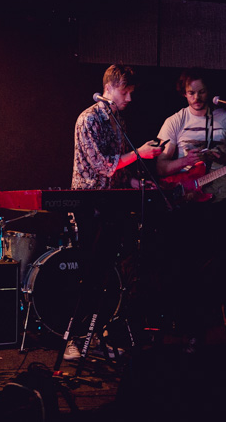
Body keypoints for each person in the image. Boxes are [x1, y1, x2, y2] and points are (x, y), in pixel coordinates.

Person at [66, 64, 164, 360]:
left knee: (113, 273)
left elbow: (117, 171)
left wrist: (135, 180)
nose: (129, 98)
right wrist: (140, 154)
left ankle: (96, 335)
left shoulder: (116, 120)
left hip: (111, 203)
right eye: (125, 91)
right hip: (88, 205)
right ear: (109, 88)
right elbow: (102, 164)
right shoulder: (88, 119)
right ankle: (73, 338)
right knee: (90, 272)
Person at [153, 69, 226, 355]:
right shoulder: (175, 122)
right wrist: (185, 160)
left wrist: (223, 157)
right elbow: (161, 168)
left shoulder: (225, 118)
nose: (197, 97)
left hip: (222, 202)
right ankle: (195, 335)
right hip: (190, 206)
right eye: (191, 92)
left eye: (202, 91)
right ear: (184, 93)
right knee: (191, 274)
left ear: (210, 92)